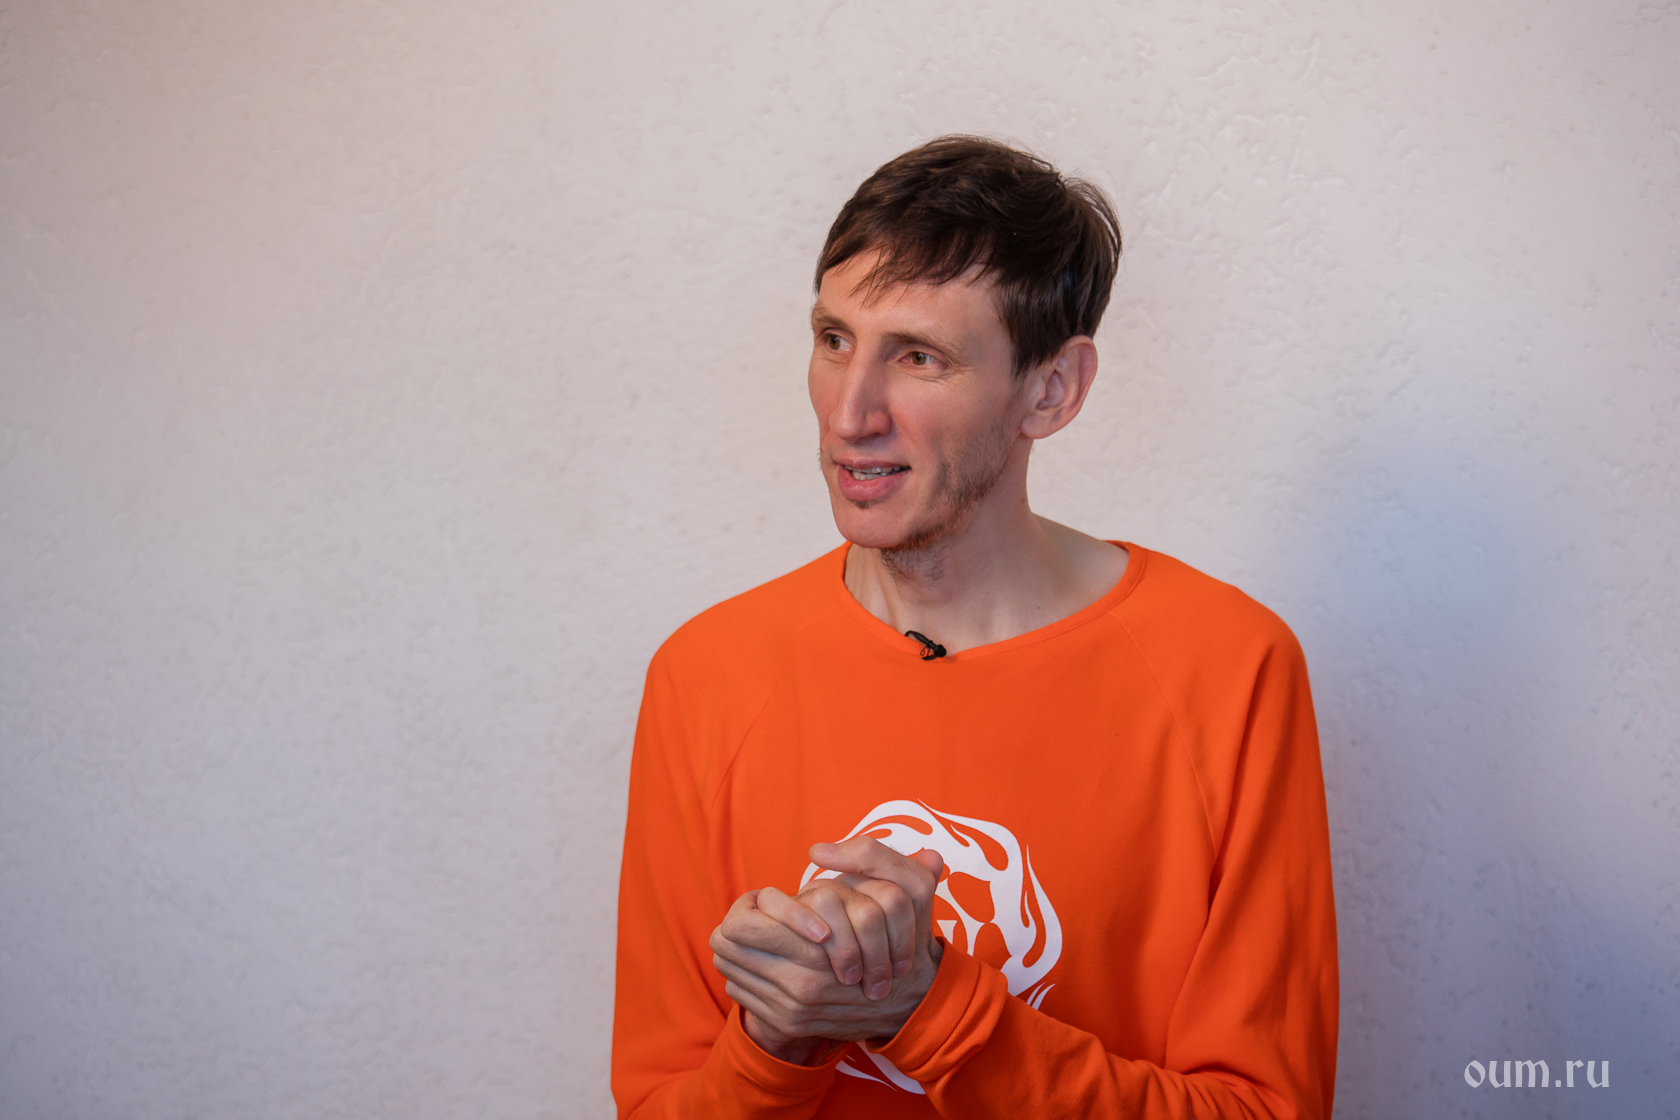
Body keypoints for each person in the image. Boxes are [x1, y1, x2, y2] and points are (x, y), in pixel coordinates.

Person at [611, 135, 1338, 1119]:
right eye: (834, 339)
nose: (850, 415)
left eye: (919, 357)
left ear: (1052, 388)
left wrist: (934, 1008)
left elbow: (1265, 1110)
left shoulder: (1228, 668)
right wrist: (776, 1044)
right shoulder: (706, 674)